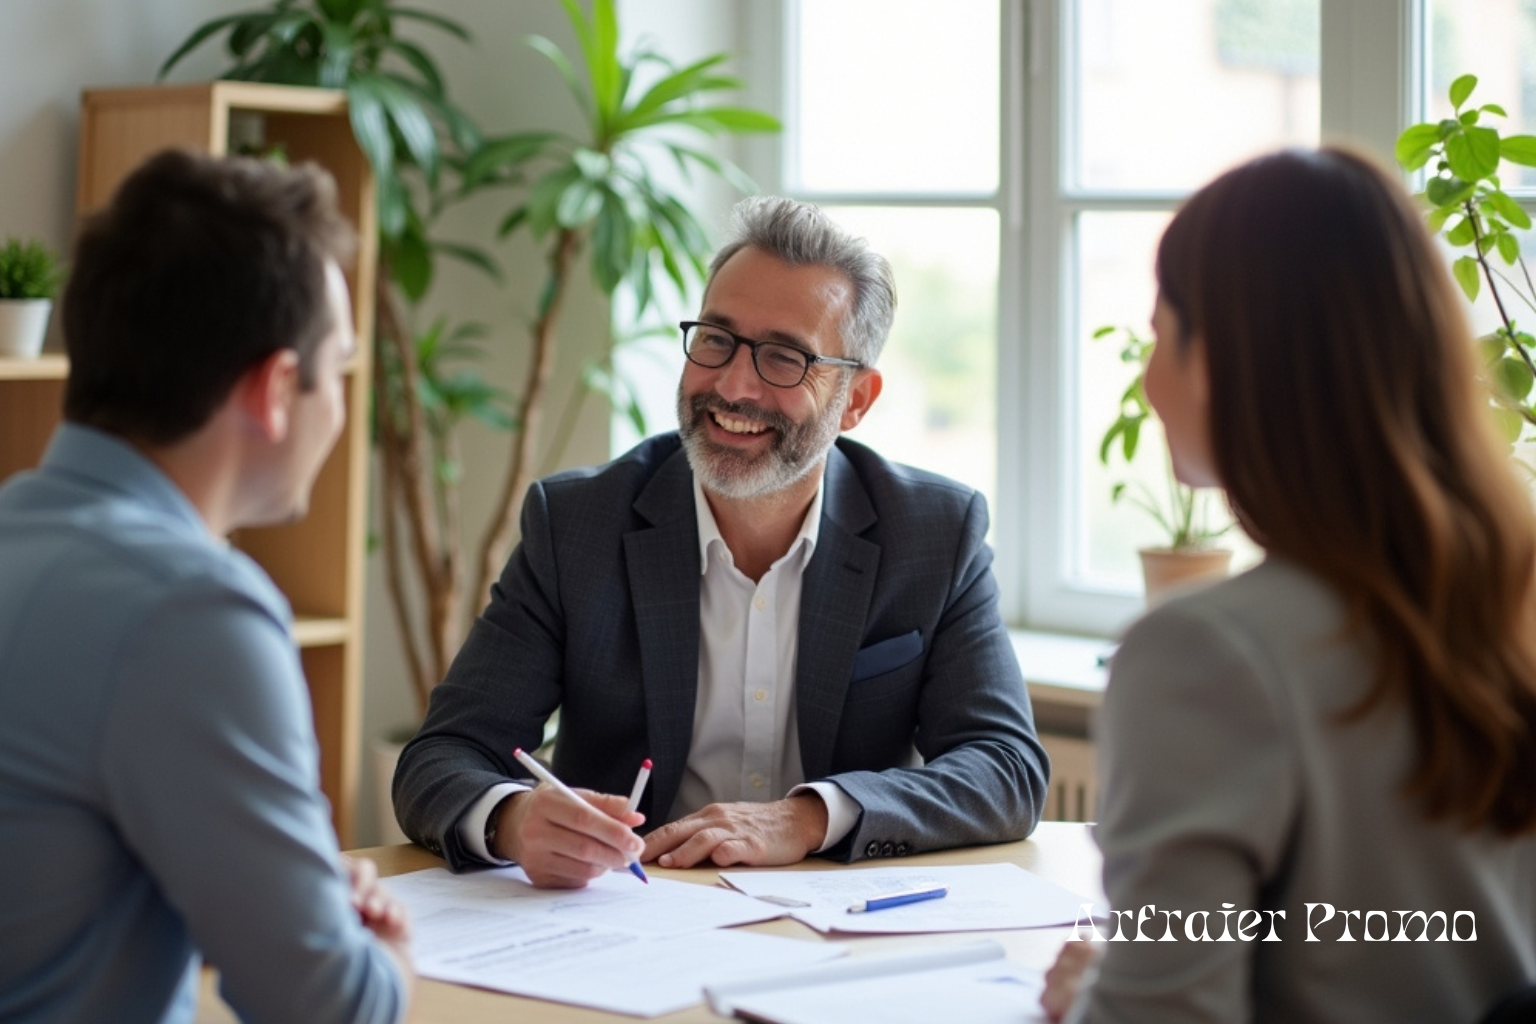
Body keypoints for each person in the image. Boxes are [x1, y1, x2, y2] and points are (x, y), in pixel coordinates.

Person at [394, 195, 1050, 888]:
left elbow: (1005, 767)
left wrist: (807, 818)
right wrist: (513, 818)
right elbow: (442, 756)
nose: (734, 386)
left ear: (855, 400)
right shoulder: (577, 524)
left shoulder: (934, 532)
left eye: (784, 358)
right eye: (716, 339)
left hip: (831, 915)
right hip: (628, 911)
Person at [1040, 148, 1536, 1023]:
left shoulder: (1205, 653)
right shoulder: (1505, 601)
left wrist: (1093, 998)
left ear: (1223, 358)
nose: (1149, 384)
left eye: (1161, 334)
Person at [0, 150, 412, 1023]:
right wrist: (381, 958)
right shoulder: (192, 610)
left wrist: (276, 884)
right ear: (275, 389)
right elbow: (329, 1009)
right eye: (338, 370)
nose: (342, 409)